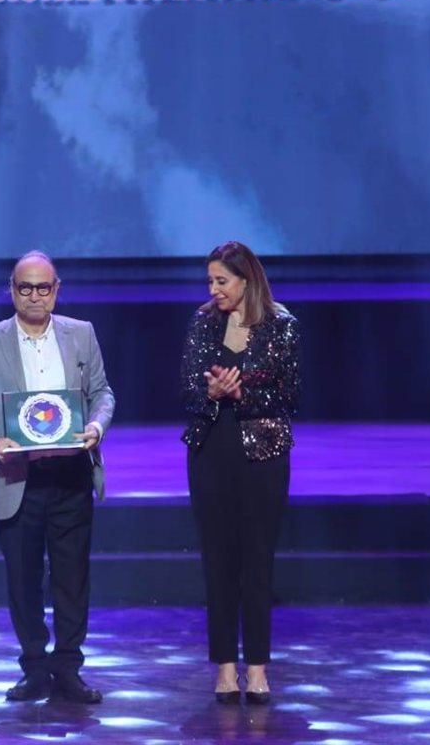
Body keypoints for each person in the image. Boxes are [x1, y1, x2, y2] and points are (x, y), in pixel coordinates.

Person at [0, 251, 115, 704]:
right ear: (11, 290)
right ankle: (34, 668)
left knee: (72, 579)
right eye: (24, 287)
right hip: (15, 477)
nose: (34, 296)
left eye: (43, 287)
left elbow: (102, 393)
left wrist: (96, 426)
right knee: (23, 581)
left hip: (70, 475)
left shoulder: (81, 334)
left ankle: (68, 668)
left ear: (56, 290)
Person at [180, 241, 300, 705]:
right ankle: (226, 668)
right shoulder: (203, 322)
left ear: (246, 281)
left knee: (257, 561)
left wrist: (240, 393)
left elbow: (291, 395)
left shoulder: (281, 325)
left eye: (221, 281)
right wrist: (211, 394)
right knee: (218, 561)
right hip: (211, 451)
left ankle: (258, 668)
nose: (213, 289)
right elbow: (188, 389)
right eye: (210, 281)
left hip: (263, 455)